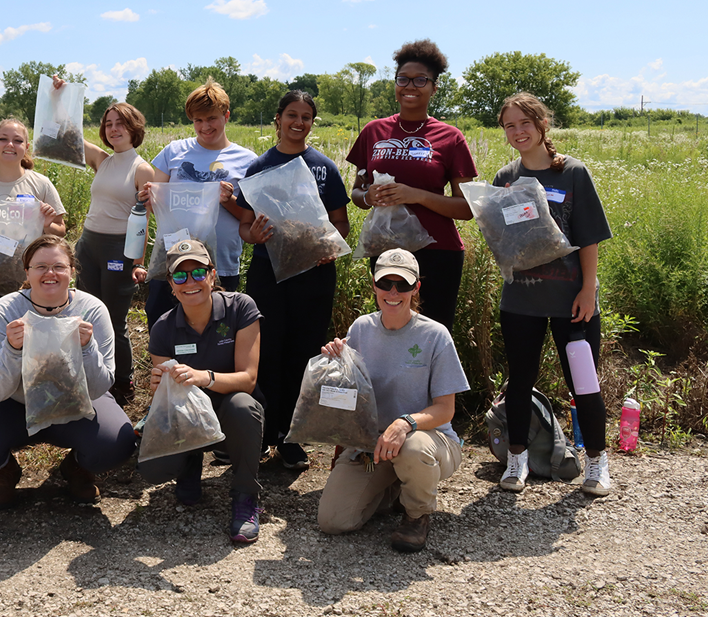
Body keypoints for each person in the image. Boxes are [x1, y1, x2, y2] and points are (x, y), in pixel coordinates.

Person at [0, 235, 136, 507]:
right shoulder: (4, 311)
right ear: (27, 272)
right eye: (40, 267)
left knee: (116, 443)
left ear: (72, 271)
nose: (50, 273)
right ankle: (4, 470)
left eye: (59, 266)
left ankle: (77, 468)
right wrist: (12, 350)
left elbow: (99, 389)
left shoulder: (92, 310)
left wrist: (86, 348)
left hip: (76, 404)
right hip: (15, 405)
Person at [494, 92, 614, 496]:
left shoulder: (573, 174)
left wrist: (587, 288)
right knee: (520, 381)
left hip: (571, 303)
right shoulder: (504, 179)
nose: (518, 132)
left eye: (524, 123)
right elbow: (503, 238)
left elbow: (589, 239)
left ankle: (596, 463)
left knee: (583, 381)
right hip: (521, 302)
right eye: (509, 125)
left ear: (542, 124)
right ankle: (516, 461)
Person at [317, 249, 470, 554]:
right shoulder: (360, 328)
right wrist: (334, 365)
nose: (393, 292)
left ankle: (417, 515)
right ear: (373, 285)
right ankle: (393, 487)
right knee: (333, 521)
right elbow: (349, 394)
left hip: (428, 439)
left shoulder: (435, 336)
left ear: (416, 289)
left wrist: (405, 422)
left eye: (403, 284)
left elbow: (445, 409)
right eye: (386, 282)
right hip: (373, 444)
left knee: (412, 448)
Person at [236, 90, 349, 471]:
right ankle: (263, 433)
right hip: (269, 273)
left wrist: (328, 246)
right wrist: (257, 235)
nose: (298, 123)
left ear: (312, 123)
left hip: (314, 274)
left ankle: (291, 438)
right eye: (291, 115)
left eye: (306, 117)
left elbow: (341, 224)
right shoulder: (259, 167)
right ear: (278, 119)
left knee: (304, 353)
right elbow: (244, 227)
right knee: (267, 351)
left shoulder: (324, 168)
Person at [137, 239, 266, 544]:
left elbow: (247, 379)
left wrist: (202, 377)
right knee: (154, 470)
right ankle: (190, 464)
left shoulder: (240, 308)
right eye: (180, 276)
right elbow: (164, 401)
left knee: (243, 407)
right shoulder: (163, 328)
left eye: (198, 273)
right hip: (188, 415)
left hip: (230, 410)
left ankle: (246, 495)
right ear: (170, 284)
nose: (190, 282)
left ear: (212, 274)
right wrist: (157, 386)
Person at [346, 40, 477, 333]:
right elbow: (356, 192)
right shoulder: (373, 131)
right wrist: (367, 195)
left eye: (421, 80)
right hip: (387, 250)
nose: (410, 86)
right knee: (391, 327)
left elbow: (466, 208)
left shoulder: (450, 137)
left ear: (434, 87)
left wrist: (414, 195)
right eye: (403, 79)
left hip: (438, 251)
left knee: (434, 332)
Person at [54, 77, 154, 406]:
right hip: (88, 247)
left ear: (133, 127)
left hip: (117, 251)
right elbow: (68, 135)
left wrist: (137, 263)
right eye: (109, 124)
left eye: (120, 123)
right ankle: (90, 373)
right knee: (84, 314)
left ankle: (122, 382)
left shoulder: (142, 169)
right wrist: (60, 97)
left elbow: (144, 220)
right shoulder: (103, 160)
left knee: (113, 318)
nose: (113, 129)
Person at [142, 78, 257, 328]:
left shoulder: (248, 161)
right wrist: (149, 197)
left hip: (220, 263)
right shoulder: (173, 152)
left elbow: (251, 220)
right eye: (198, 120)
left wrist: (227, 200)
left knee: (216, 332)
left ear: (226, 116)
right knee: (163, 323)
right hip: (171, 259)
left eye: (211, 118)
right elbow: (154, 202)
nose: (205, 126)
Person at [0, 118, 65, 327]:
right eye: (3, 139)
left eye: (17, 141)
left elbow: (60, 231)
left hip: (33, 279)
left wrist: (47, 223)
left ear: (26, 147)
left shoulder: (40, 184)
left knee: (32, 337)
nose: (10, 145)